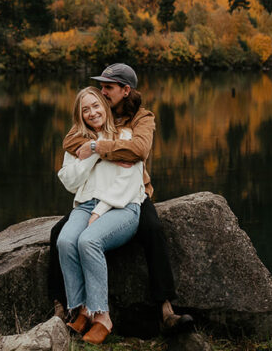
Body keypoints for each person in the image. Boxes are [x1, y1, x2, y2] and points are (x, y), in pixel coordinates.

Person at [48, 63, 194, 334]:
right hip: (94, 193)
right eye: (101, 86)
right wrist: (103, 142)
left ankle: (165, 309)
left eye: (108, 87)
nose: (102, 92)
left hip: (132, 192)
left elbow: (138, 150)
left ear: (125, 90)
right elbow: (70, 142)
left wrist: (97, 145)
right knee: (60, 234)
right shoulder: (96, 110)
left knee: (152, 228)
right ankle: (64, 305)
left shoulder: (142, 117)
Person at [56, 86, 145, 344]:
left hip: (121, 206)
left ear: (105, 107)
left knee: (89, 241)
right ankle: (82, 309)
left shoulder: (124, 136)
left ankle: (102, 317)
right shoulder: (78, 142)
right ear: (80, 115)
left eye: (96, 106)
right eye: (86, 110)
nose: (92, 113)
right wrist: (93, 154)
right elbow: (69, 181)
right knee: (65, 241)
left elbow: (129, 181)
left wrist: (100, 210)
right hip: (84, 205)